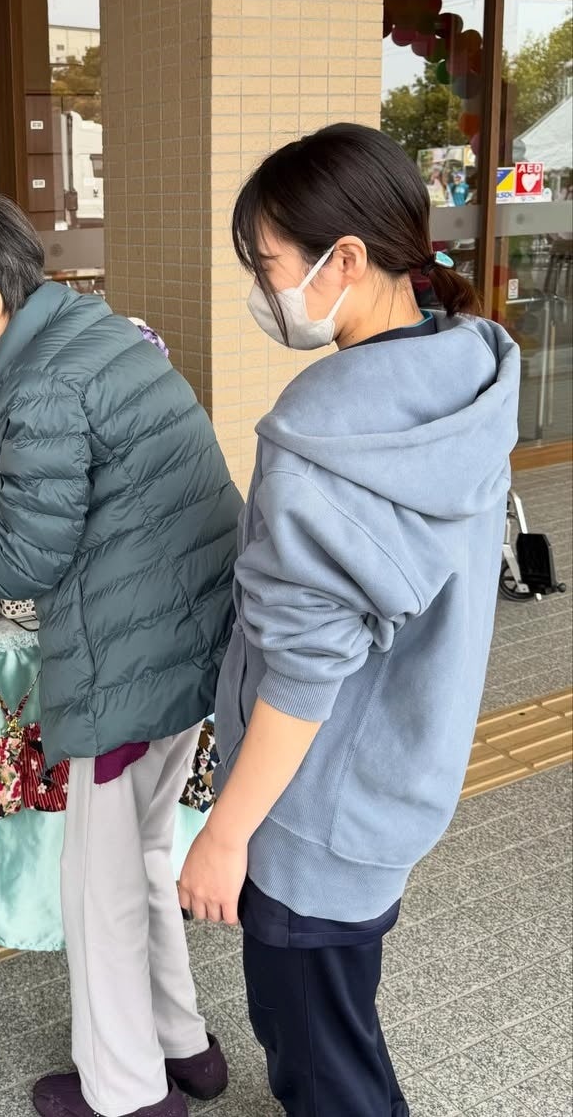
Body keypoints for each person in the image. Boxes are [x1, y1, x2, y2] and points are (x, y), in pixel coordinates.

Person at [0, 195, 242, 1117]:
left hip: (127, 658)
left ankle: (128, 1095)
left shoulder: (41, 385)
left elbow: (24, 559)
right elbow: (54, 483)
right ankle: (183, 1049)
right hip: (183, 637)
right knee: (144, 858)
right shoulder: (89, 336)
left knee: (100, 889)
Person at [177, 123, 520, 1116]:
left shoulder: (328, 438)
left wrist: (225, 836)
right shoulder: (463, 373)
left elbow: (303, 674)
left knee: (321, 1063)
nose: (263, 289)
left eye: (269, 264)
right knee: (338, 1022)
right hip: (396, 775)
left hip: (312, 814)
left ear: (347, 260)